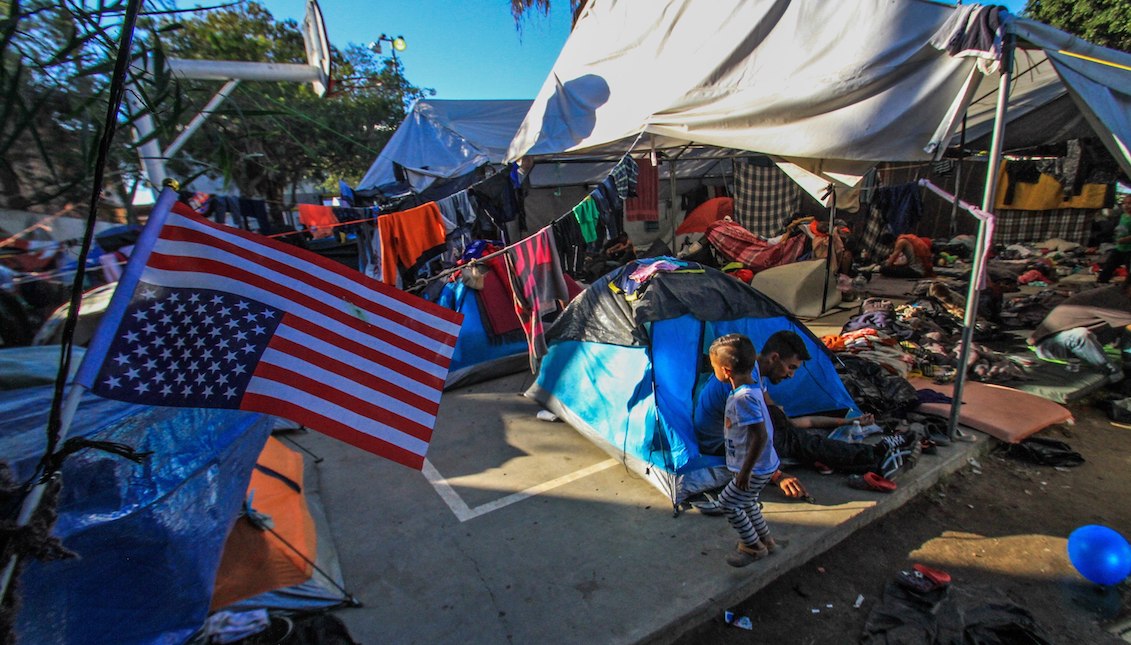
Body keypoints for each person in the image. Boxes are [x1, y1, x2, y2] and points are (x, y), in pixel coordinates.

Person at [708, 332, 790, 567]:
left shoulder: (743, 399)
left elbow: (760, 435)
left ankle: (752, 546)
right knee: (747, 501)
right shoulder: (752, 389)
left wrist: (745, 471)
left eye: (713, 366)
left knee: (727, 503)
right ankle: (767, 540)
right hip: (760, 465)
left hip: (754, 468)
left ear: (725, 371)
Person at [1027, 279, 1131, 378]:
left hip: (1075, 343)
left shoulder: (1121, 294)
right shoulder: (1112, 298)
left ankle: (1128, 361)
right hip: (1049, 345)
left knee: (1125, 328)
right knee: (1080, 334)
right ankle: (1113, 374)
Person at [1097, 194, 1131, 284]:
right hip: (1119, 248)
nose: (1127, 206)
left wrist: (1124, 240)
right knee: (1108, 267)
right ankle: (1101, 283)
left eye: (1130, 203)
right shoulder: (1123, 216)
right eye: (1125, 203)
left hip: (1129, 250)